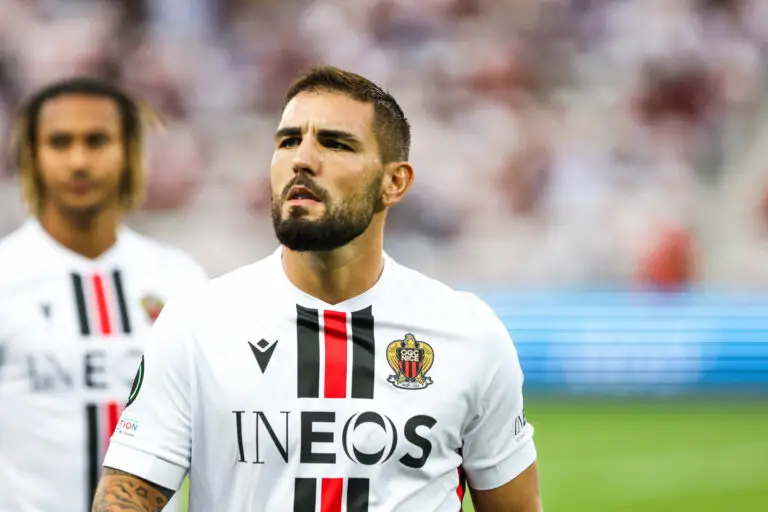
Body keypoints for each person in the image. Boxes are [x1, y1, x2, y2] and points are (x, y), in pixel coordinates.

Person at [94, 66, 542, 512]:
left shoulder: (469, 333)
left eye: (335, 143)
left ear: (394, 182)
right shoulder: (199, 323)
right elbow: (123, 498)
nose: (301, 159)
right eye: (288, 141)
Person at [0, 77, 207, 512]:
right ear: (32, 156)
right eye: (60, 142)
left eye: (96, 141)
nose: (78, 161)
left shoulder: (180, 280)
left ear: (129, 150)